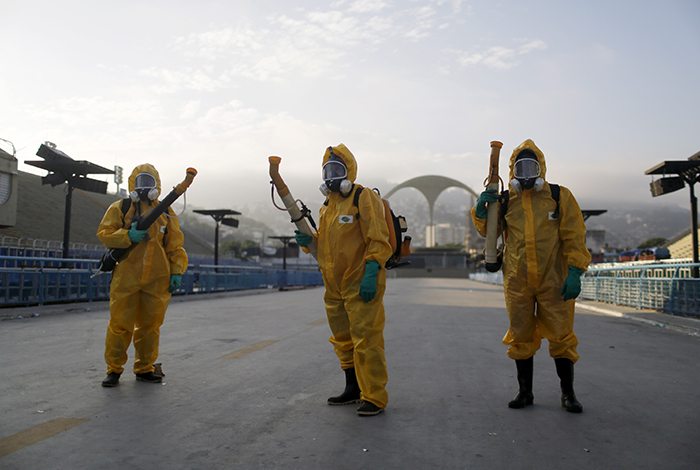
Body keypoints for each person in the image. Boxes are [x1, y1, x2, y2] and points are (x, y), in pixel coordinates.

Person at [471, 139, 591, 413]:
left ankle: (568, 394)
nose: (526, 175)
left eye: (531, 167)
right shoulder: (505, 200)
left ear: (541, 169)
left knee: (561, 335)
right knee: (521, 335)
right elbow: (487, 232)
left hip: (554, 279)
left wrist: (575, 271)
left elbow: (574, 235)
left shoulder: (559, 196)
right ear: (512, 171)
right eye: (521, 169)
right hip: (517, 280)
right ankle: (525, 392)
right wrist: (481, 210)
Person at [295, 144, 393, 416]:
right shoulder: (327, 207)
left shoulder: (363, 197)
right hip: (334, 286)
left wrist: (372, 271)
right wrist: (309, 241)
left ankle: (374, 395)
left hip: (361, 281)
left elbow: (378, 239)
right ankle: (352, 388)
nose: (331, 176)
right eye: (327, 170)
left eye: (337, 169)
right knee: (343, 339)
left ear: (349, 171)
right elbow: (327, 245)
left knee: (367, 340)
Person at [97, 163, 188, 387]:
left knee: (150, 326)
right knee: (120, 325)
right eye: (141, 182)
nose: (146, 187)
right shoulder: (121, 207)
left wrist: (176, 271)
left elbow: (175, 245)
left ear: (157, 184)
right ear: (133, 184)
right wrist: (128, 235)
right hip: (126, 276)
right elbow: (105, 234)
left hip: (157, 278)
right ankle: (114, 370)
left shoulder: (166, 212)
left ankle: (145, 367)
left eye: (150, 182)